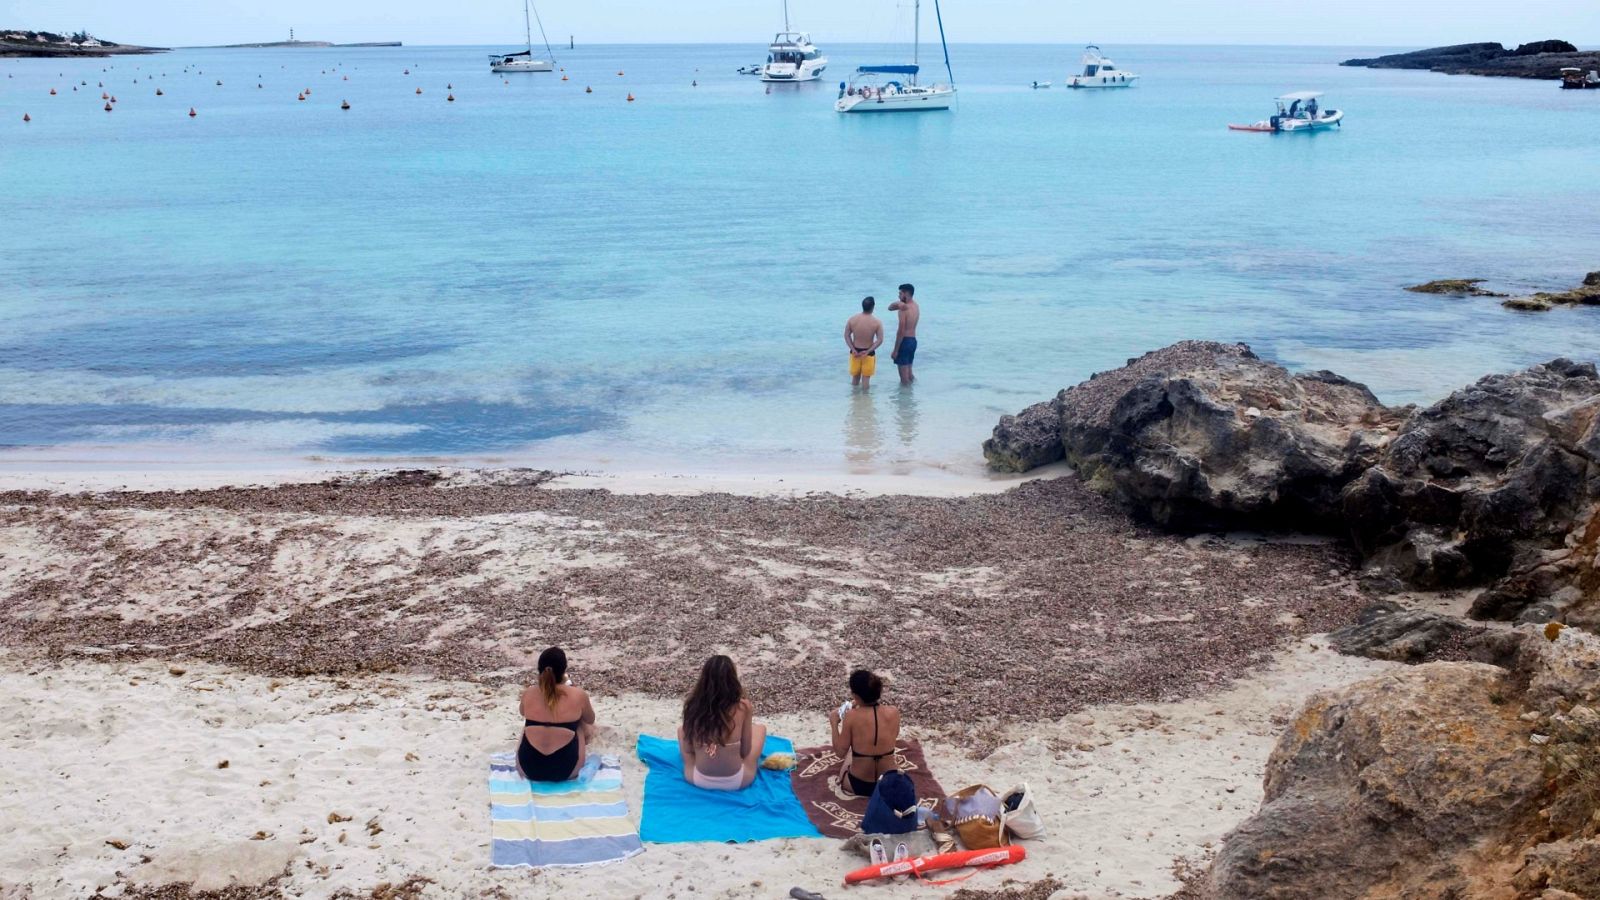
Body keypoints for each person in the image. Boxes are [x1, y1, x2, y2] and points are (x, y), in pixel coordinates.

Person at [679, 655, 767, 791]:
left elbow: (688, 749)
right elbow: (745, 752)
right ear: (733, 679)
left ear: (704, 679)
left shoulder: (692, 706)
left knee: (681, 731)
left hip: (698, 779)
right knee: (760, 729)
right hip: (737, 781)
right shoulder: (743, 707)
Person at [517, 647, 596, 782]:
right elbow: (590, 719)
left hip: (528, 768)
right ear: (564, 671)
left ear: (539, 670)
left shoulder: (529, 693)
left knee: (527, 726)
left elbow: (522, 712)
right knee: (579, 724)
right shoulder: (577, 694)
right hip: (567, 770)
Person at [828, 669, 902, 797]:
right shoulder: (894, 712)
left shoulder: (851, 716)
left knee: (851, 752)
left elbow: (840, 753)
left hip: (858, 785)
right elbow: (893, 736)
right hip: (889, 783)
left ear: (855, 695)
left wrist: (834, 723)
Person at [844, 296, 884, 389]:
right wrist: (868, 351)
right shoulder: (876, 322)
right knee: (866, 379)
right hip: (868, 353)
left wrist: (853, 349)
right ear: (873, 307)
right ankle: (865, 401)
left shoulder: (852, 319)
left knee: (855, 378)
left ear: (862, 306)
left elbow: (846, 335)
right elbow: (880, 340)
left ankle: (854, 399)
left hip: (855, 353)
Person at [887, 283, 920, 385]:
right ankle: (915, 393)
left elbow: (901, 331)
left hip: (905, 341)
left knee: (904, 379)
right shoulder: (915, 306)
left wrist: (895, 350)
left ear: (906, 294)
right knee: (909, 373)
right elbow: (889, 308)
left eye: (900, 293)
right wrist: (898, 303)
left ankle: (905, 399)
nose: (898, 295)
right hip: (913, 341)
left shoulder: (903, 310)